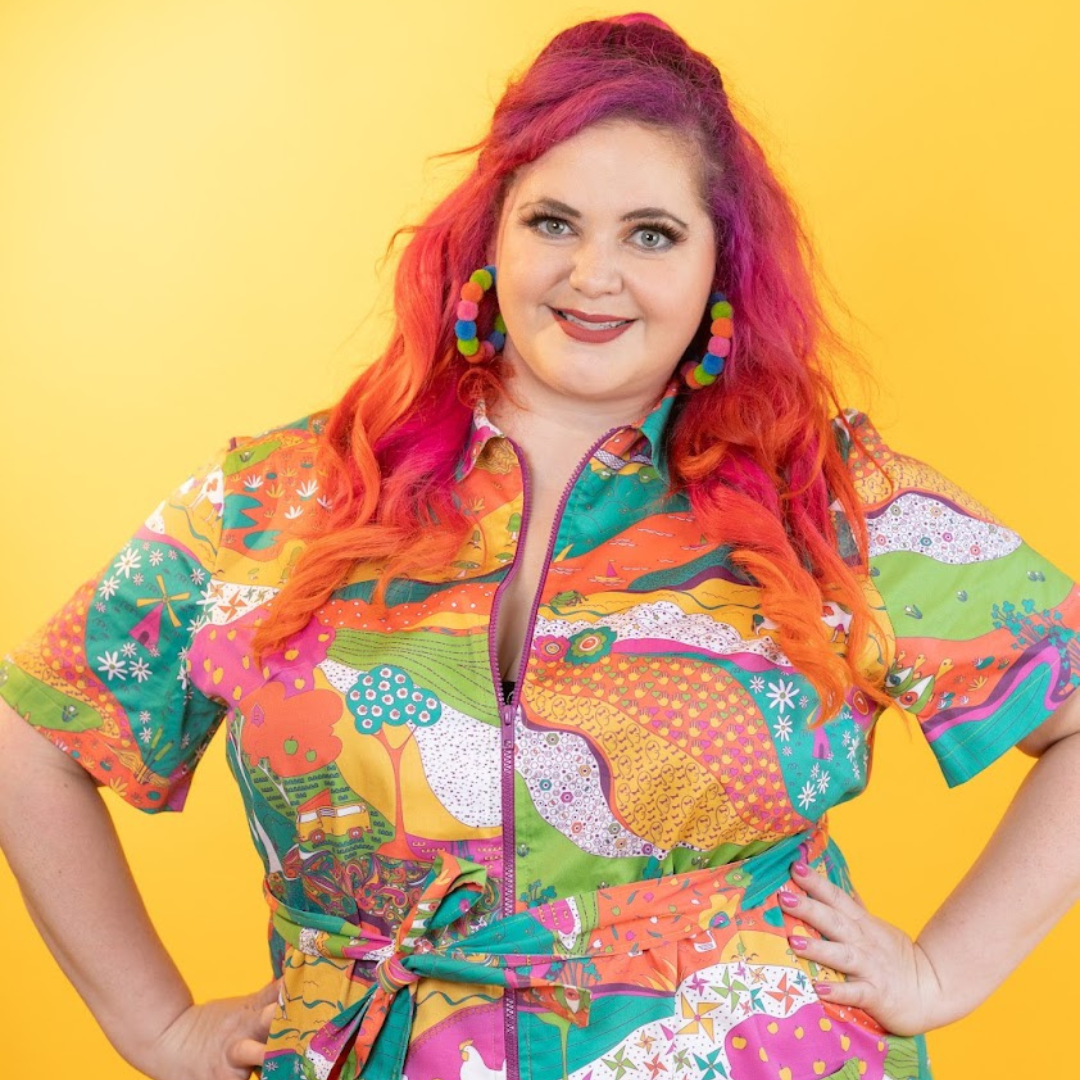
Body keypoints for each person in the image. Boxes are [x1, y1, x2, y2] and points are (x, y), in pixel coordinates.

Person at [1, 12, 1078, 1080]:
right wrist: (156, 1026)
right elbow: (34, 733)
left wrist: (943, 973)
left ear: (719, 271)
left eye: (650, 234)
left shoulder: (833, 501)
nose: (592, 275)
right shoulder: (287, 497)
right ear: (489, 243)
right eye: (553, 222)